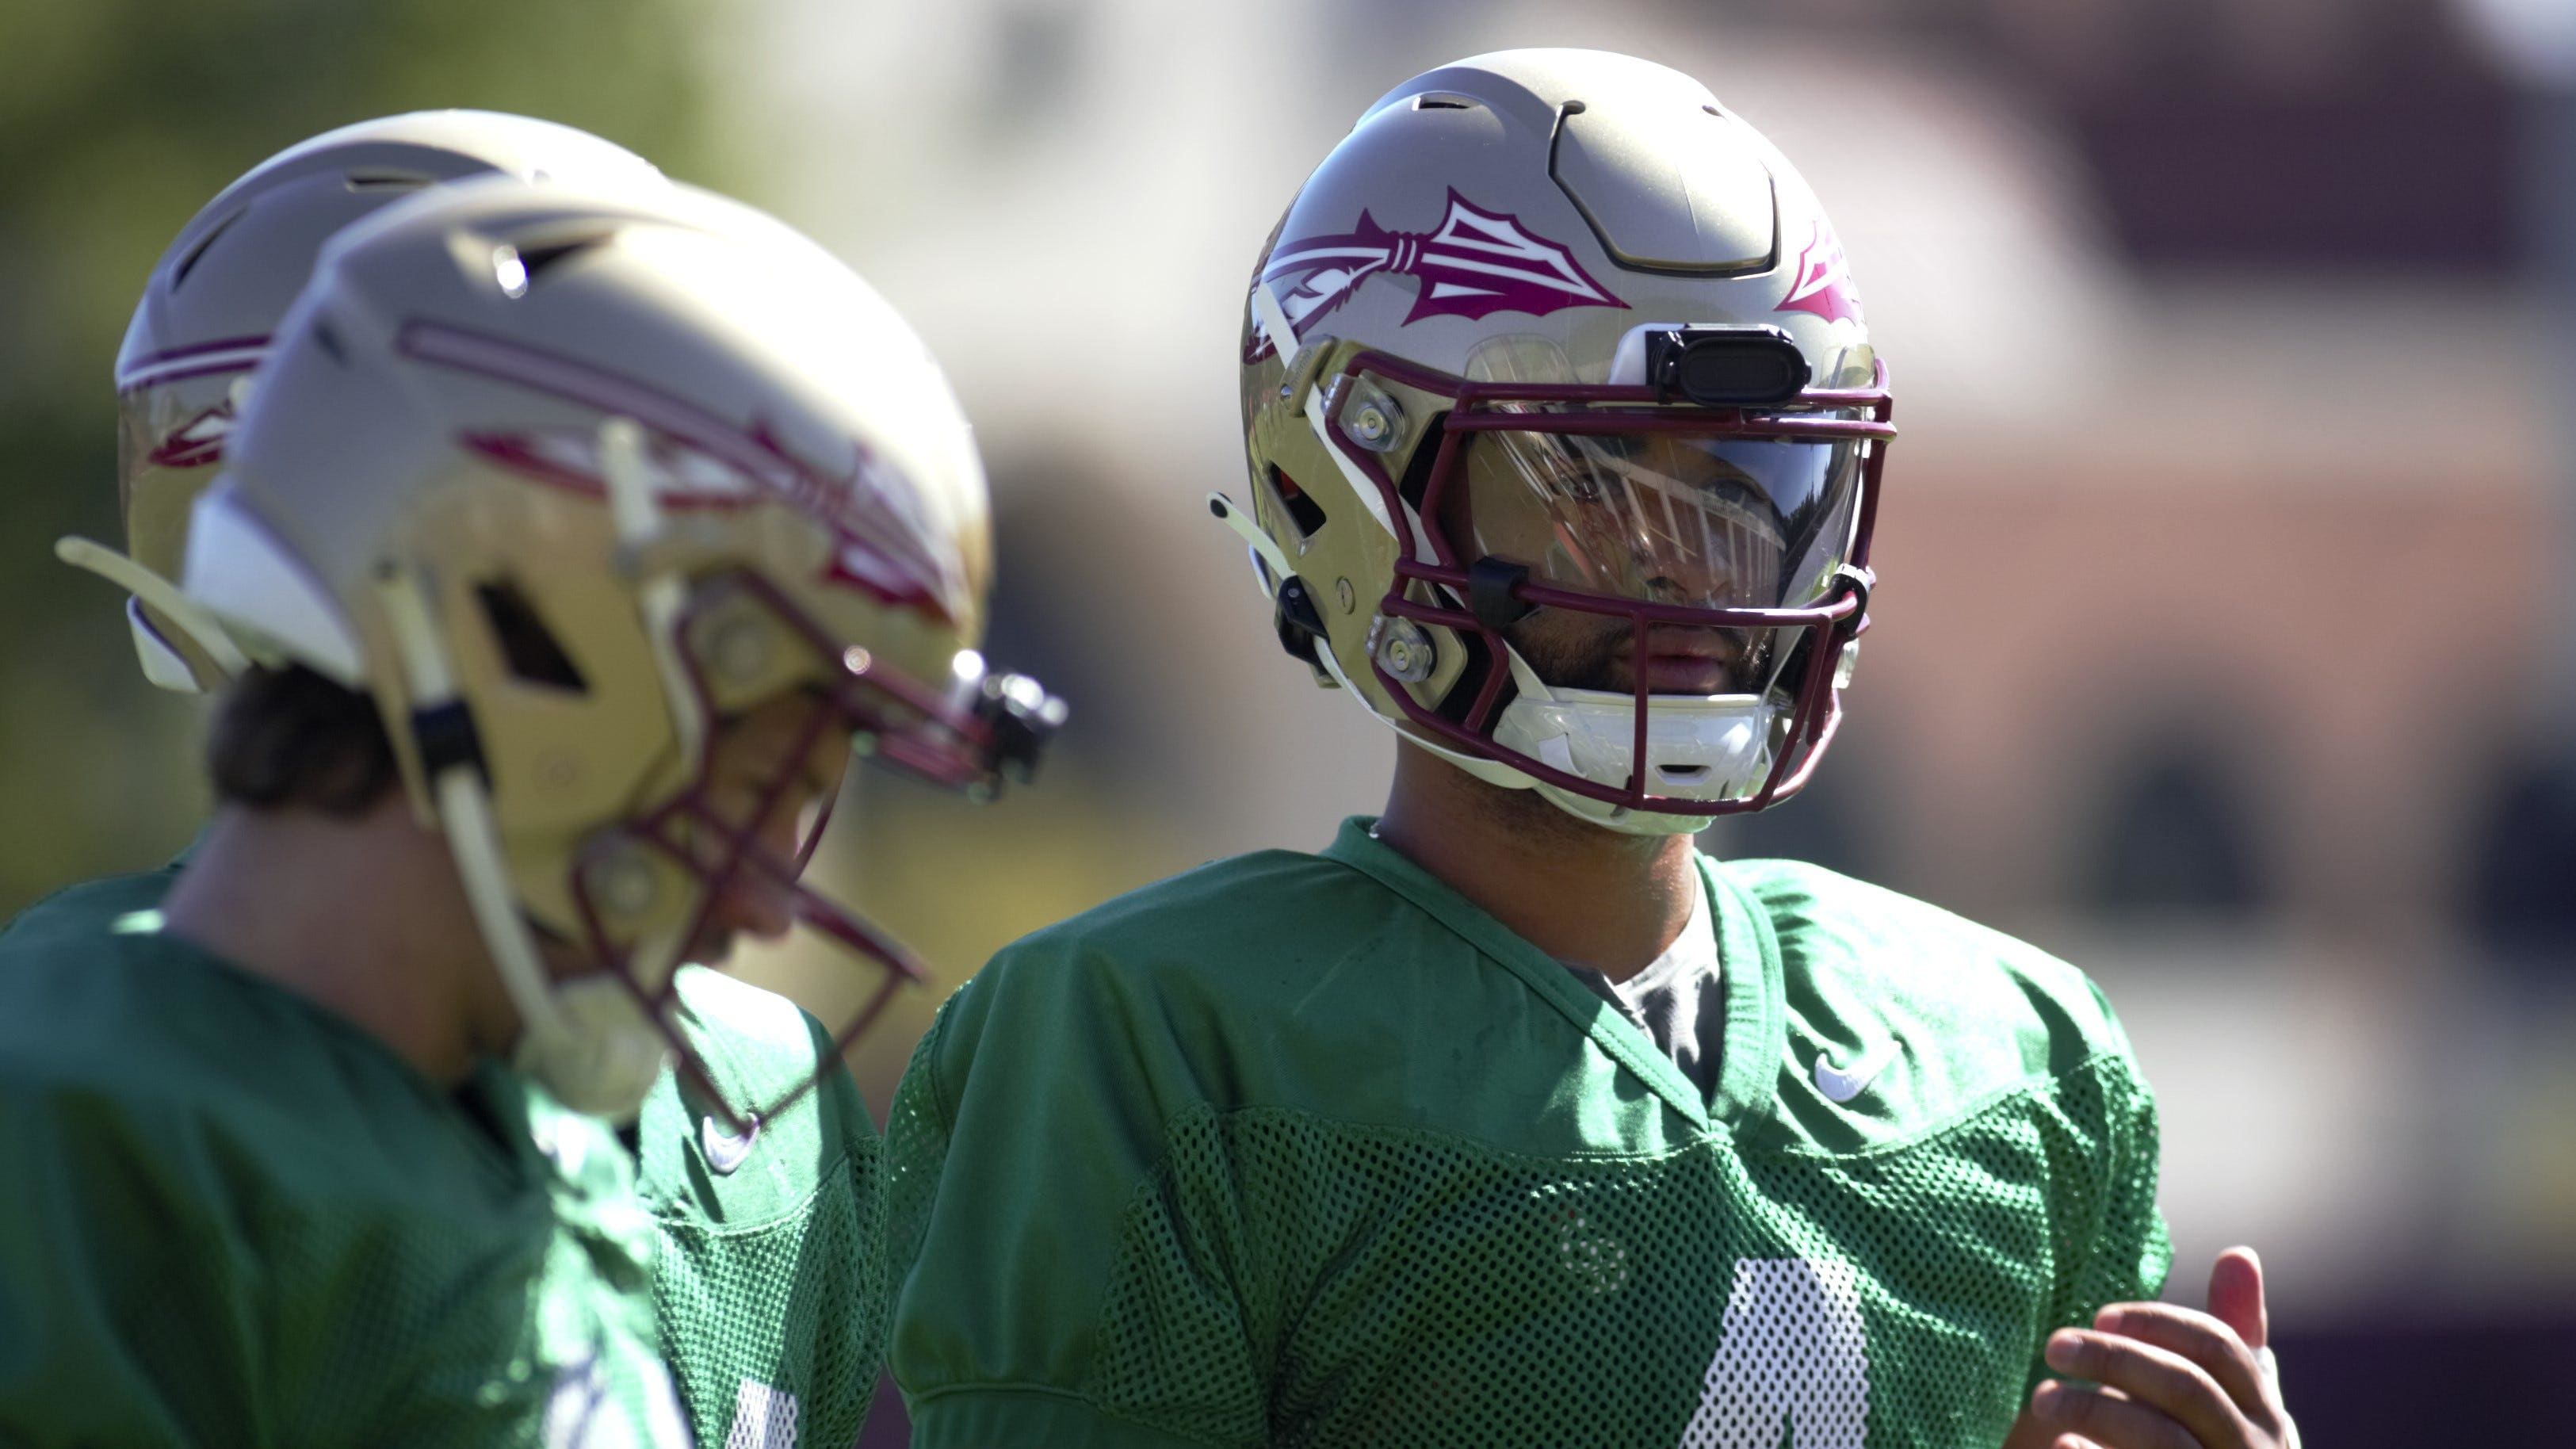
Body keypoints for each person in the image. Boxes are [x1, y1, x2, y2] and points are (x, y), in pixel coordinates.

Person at [883, 49, 2296, 1449]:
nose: (1690, 574)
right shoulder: (1155, 1050)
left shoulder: (2012, 1059)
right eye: (1589, 484)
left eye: (1753, 483)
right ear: (1354, 484)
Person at [0, 171, 1055, 1443]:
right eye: (746, 776)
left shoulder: (526, 1138)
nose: (759, 896)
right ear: (525, 649)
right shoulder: (74, 1140)